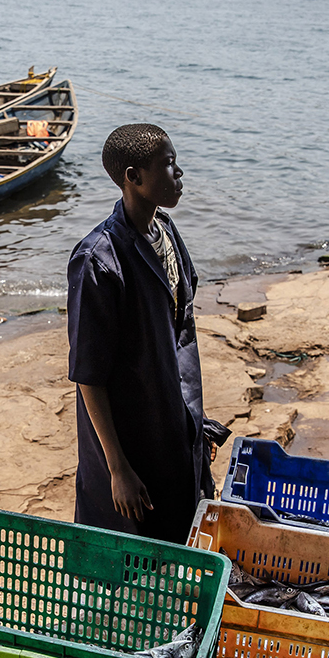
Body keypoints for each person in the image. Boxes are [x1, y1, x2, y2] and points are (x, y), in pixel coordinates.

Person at [66, 124, 229, 545]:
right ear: (133, 177)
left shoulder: (167, 234)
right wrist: (117, 467)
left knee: (179, 534)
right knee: (128, 551)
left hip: (173, 420)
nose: (179, 174)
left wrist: (194, 423)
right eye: (168, 165)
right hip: (131, 435)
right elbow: (89, 374)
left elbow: (178, 335)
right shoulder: (99, 261)